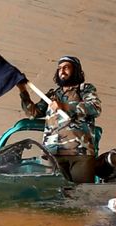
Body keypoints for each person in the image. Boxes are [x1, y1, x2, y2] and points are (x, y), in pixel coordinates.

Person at [16, 55, 101, 183]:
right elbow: (33, 113)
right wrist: (23, 90)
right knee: (54, 195)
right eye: (60, 68)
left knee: (81, 194)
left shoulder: (84, 89)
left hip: (79, 153)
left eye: (66, 67)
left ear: (76, 70)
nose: (62, 71)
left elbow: (95, 108)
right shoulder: (52, 95)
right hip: (52, 154)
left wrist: (65, 106)